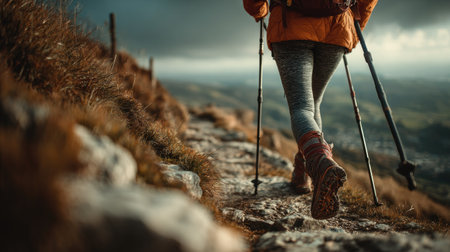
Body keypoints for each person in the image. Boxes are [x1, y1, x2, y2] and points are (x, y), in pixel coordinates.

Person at [243, 0, 378, 219]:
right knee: (314, 103)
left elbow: (255, 4)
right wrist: (355, 25)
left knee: (302, 107)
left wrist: (259, 11)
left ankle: (319, 163)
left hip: (290, 25)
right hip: (337, 29)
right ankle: (303, 174)